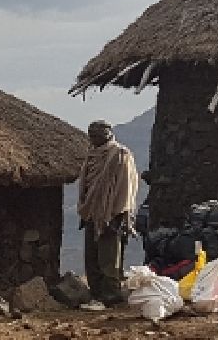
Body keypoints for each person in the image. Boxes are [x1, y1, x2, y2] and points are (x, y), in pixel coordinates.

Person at [76, 120, 141, 309]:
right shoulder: (91, 156)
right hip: (91, 213)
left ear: (107, 134)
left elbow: (126, 186)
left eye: (97, 134)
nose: (94, 138)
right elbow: (86, 184)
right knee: (92, 257)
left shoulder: (120, 154)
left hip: (112, 214)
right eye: (91, 134)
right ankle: (96, 293)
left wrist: (118, 213)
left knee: (109, 257)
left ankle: (111, 295)